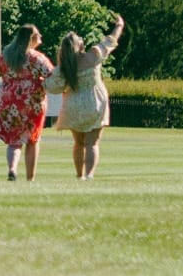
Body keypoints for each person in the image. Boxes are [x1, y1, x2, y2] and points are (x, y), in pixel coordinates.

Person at [53, 14, 128, 180]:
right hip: (94, 102)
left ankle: (79, 175)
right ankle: (89, 174)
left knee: (78, 143)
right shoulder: (92, 55)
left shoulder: (65, 66)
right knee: (92, 142)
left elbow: (53, 86)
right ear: (80, 45)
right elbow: (110, 42)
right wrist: (119, 25)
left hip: (73, 104)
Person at [0, 24, 56, 182]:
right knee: (32, 139)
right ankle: (30, 177)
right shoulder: (36, 57)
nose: (40, 38)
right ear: (31, 38)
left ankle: (12, 168)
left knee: (14, 140)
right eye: (38, 36)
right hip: (31, 101)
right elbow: (51, 75)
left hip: (8, 99)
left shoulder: (6, 55)